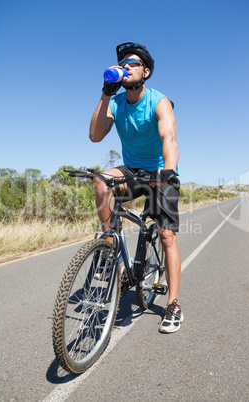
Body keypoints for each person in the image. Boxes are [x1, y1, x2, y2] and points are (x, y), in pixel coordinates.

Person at [89, 42, 183, 333]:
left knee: (167, 237)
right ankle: (109, 245)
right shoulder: (116, 103)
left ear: (146, 71)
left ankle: (174, 304)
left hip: (158, 169)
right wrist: (106, 94)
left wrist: (167, 174)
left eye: (132, 63)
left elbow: (169, 138)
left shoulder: (159, 101)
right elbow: (94, 136)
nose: (125, 66)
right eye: (122, 63)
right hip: (131, 169)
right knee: (101, 180)